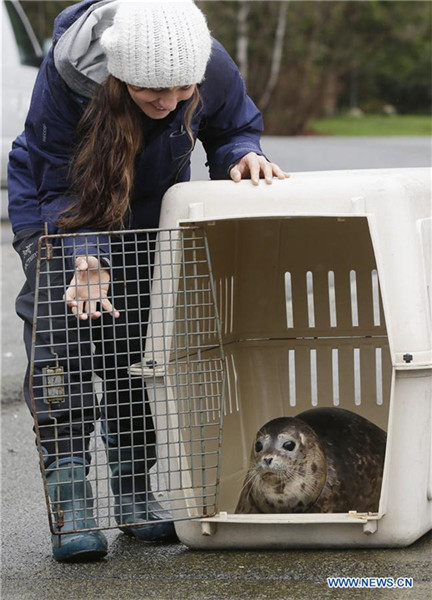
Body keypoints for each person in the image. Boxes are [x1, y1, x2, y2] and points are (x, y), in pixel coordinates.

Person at [8, 0, 288, 562]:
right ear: (118, 77)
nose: (168, 104)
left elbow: (233, 125)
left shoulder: (208, 63)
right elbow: (58, 179)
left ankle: (133, 492)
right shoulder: (68, 76)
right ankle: (70, 501)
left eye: (182, 91)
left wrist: (242, 156)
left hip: (146, 214)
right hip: (56, 212)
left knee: (137, 346)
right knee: (65, 340)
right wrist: (85, 260)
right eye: (150, 92)